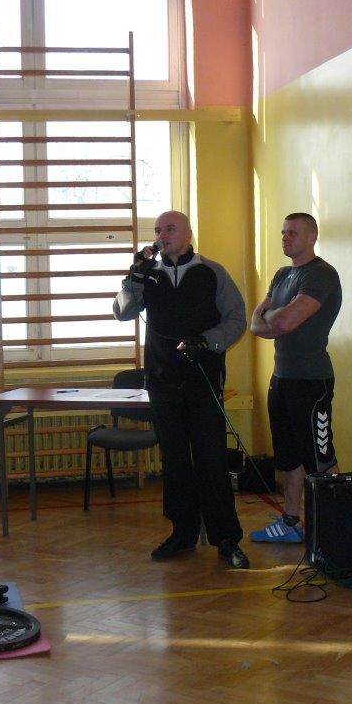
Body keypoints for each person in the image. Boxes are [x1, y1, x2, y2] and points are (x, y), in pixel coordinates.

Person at [113, 211, 250, 569]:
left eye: (170, 229)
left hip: (203, 381)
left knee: (211, 459)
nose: (163, 235)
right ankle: (182, 533)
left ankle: (227, 538)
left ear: (188, 233)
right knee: (174, 461)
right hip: (162, 383)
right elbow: (122, 312)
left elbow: (236, 319)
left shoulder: (212, 272)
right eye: (158, 230)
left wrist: (207, 341)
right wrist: (133, 279)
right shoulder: (148, 275)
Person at [249, 213, 341, 542]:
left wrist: (272, 317)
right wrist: (273, 318)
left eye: (293, 233)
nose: (285, 238)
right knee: (289, 456)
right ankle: (290, 523)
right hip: (282, 378)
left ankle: (334, 532)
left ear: (312, 237)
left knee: (319, 457)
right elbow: (255, 323)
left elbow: (284, 322)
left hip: (312, 382)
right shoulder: (282, 275)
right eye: (283, 232)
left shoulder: (321, 274)